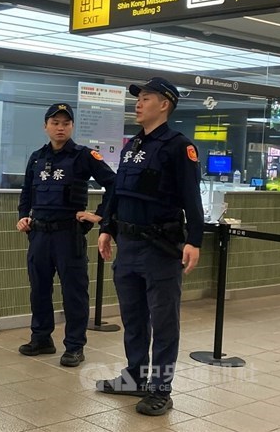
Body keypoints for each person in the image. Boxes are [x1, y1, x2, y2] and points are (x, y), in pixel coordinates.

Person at [95, 77, 204, 416]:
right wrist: (107, 228)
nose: (138, 103)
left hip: (160, 247)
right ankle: (136, 377)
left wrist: (195, 241)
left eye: (146, 97)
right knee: (134, 317)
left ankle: (161, 389)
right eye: (138, 98)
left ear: (165, 104)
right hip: (127, 245)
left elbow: (191, 197)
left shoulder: (178, 146)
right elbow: (117, 192)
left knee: (164, 321)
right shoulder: (132, 146)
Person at [16, 103, 115, 367]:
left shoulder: (83, 156)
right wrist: (23, 216)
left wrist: (100, 214)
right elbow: (27, 192)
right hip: (38, 234)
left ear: (72, 127)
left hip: (68, 235)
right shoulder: (37, 157)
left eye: (65, 123)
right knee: (39, 289)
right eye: (55, 122)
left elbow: (114, 184)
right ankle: (41, 338)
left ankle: (74, 346)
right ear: (45, 126)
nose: (60, 128)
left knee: (74, 292)